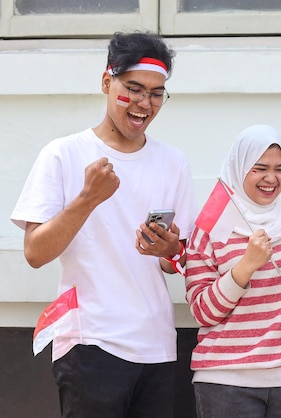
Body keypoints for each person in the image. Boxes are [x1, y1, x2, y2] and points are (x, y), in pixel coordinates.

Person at [10, 32, 195, 417]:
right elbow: (35, 253)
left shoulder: (173, 162)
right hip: (88, 342)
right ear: (106, 82)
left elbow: (178, 260)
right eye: (134, 88)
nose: (145, 103)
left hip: (156, 344)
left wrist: (170, 249)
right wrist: (87, 199)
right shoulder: (63, 153)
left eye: (157, 93)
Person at [185, 124, 281, 418]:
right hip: (226, 380)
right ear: (240, 167)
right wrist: (245, 266)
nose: (272, 178)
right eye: (260, 168)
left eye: (280, 169)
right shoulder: (209, 228)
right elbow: (203, 312)